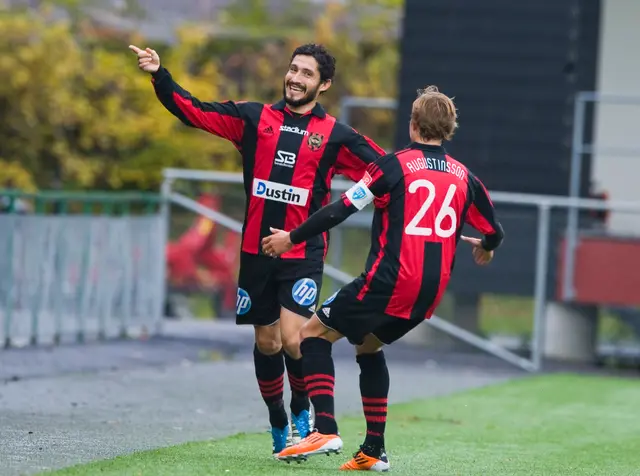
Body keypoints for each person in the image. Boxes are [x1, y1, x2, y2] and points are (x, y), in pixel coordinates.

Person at [129, 43, 386, 455]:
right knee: (266, 343)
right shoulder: (254, 117)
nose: (296, 78)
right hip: (256, 252)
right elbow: (194, 110)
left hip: (303, 253)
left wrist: (387, 197)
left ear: (324, 85)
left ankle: (302, 410)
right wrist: (160, 74)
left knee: (294, 339)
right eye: (293, 69)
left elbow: (385, 170)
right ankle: (277, 420)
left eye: (307, 74)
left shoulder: (337, 135)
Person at [262, 85, 505, 471]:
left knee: (311, 335)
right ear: (450, 129)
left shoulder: (393, 166)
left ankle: (324, 427)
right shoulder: (466, 178)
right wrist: (487, 246)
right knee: (369, 347)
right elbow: (494, 230)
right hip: (429, 293)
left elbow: (341, 209)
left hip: (390, 281)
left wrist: (290, 237)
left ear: (412, 123)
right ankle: (374, 449)